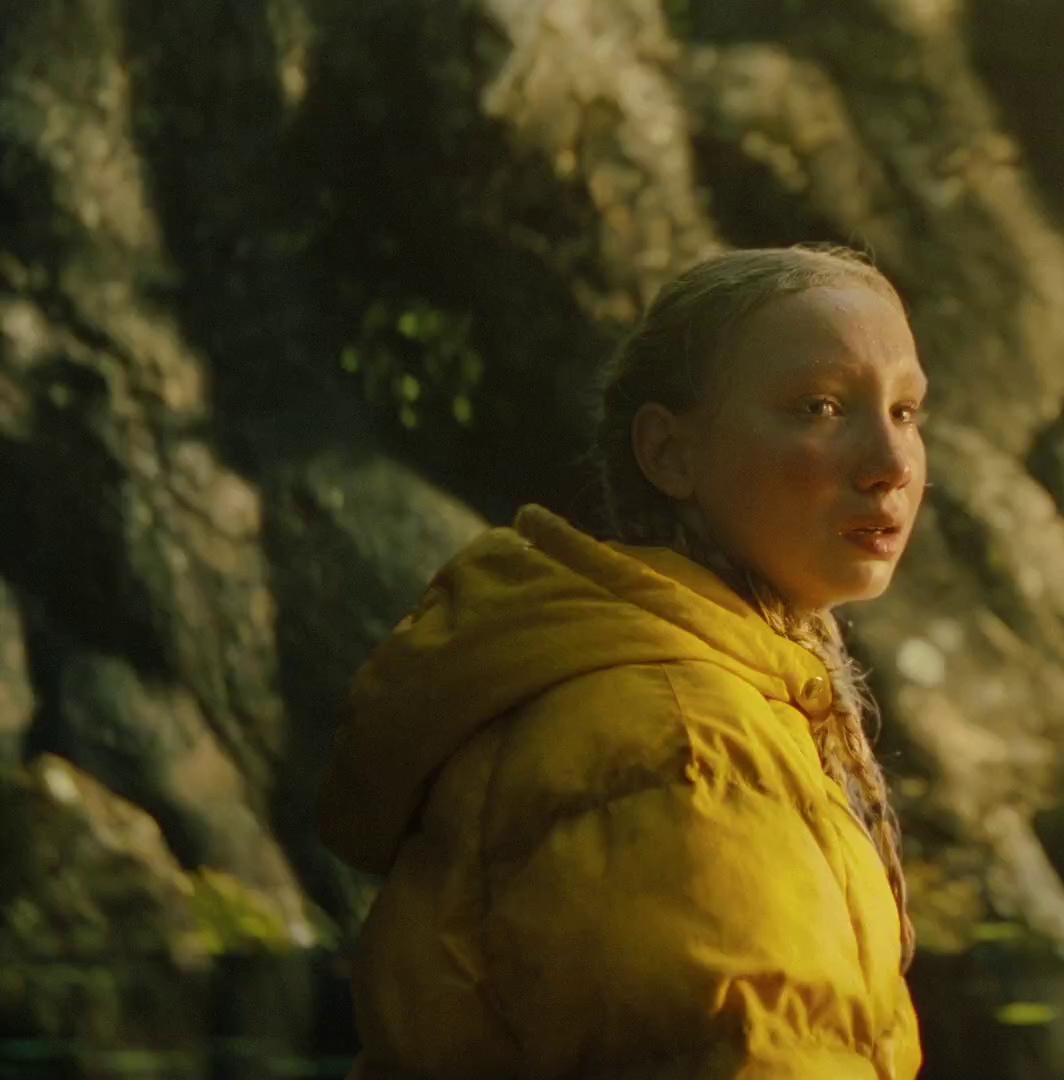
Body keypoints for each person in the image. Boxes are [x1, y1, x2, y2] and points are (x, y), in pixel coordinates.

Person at [316, 245, 929, 1079]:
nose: (891, 465)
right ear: (669, 453)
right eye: (820, 406)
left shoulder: (711, 697)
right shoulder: (680, 744)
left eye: (905, 411)